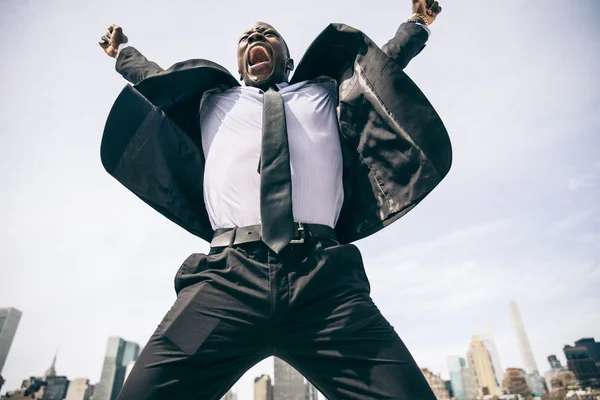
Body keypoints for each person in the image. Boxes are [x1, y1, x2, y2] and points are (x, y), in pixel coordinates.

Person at [99, 0, 451, 398]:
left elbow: (383, 64)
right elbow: (156, 79)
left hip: (324, 287)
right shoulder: (212, 102)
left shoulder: (324, 91)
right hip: (225, 285)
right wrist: (122, 54)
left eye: (266, 33)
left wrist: (418, 23)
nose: (254, 37)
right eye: (246, 36)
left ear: (288, 59)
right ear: (239, 64)